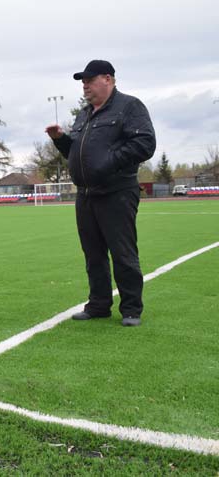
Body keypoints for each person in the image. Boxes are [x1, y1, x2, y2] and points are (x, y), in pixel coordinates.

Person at [45, 60, 156, 327]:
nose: (85, 86)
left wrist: (109, 161)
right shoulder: (84, 114)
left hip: (117, 191)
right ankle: (98, 305)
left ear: (108, 79)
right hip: (85, 195)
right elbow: (76, 153)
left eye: (89, 81)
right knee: (93, 254)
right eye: (83, 82)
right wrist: (61, 140)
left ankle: (131, 309)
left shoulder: (130, 106)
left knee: (122, 253)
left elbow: (145, 143)